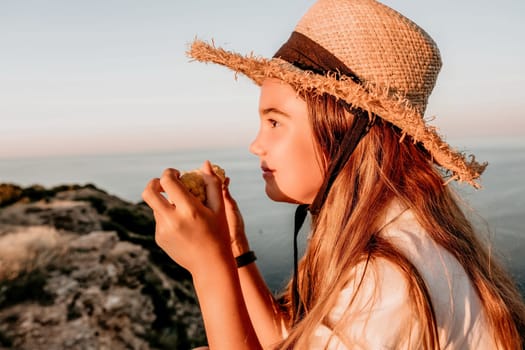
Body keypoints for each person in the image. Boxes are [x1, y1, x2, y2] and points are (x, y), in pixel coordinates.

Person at [142, 0, 525, 348]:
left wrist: (208, 269)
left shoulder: (386, 283)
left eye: (274, 122)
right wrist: (233, 248)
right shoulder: (384, 236)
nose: (255, 145)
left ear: (345, 130)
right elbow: (288, 340)